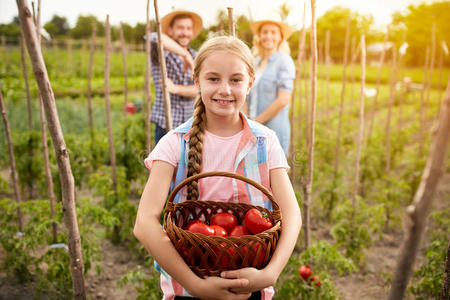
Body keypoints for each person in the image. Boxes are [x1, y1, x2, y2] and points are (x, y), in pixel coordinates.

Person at [134, 35, 301, 300]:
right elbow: (144, 224)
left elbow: (292, 214)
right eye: (213, 79)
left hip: (251, 283)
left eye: (235, 80)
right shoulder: (174, 143)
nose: (224, 89)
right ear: (196, 80)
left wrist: (270, 274)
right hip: (188, 289)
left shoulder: (265, 142)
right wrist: (196, 285)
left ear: (250, 84)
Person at [149, 10, 202, 144]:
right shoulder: (161, 52)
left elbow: (200, 88)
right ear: (170, 30)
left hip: (190, 124)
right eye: (180, 28)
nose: (185, 32)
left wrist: (175, 88)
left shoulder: (196, 56)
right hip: (166, 124)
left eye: (188, 28)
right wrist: (184, 54)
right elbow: (153, 36)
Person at [247, 19, 296, 155]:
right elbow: (246, 96)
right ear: (259, 36)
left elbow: (283, 100)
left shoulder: (284, 61)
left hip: (273, 129)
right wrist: (245, 123)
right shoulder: (255, 63)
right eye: (265, 32)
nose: (269, 36)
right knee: (251, 174)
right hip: (251, 130)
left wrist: (255, 123)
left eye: (273, 32)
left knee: (272, 172)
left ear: (280, 37)